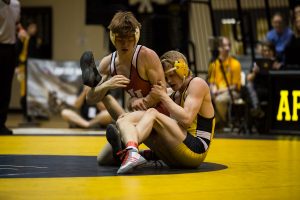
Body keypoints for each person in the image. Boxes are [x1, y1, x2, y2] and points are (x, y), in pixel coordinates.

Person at [106, 50, 215, 174]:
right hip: (174, 157)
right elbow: (140, 103)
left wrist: (163, 97)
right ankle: (127, 149)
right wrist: (133, 100)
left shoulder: (197, 84)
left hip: (196, 149)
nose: (169, 80)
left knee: (153, 113)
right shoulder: (173, 92)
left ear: (183, 69)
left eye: (171, 74)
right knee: (127, 118)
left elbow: (186, 119)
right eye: (166, 77)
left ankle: (130, 150)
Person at [80, 11, 166, 164]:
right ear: (113, 38)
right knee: (103, 159)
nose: (125, 44)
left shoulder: (146, 56)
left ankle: (127, 146)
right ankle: (138, 153)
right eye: (120, 40)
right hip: (136, 119)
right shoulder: (109, 62)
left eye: (129, 39)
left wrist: (141, 102)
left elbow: (162, 90)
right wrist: (107, 84)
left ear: (136, 37)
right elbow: (90, 99)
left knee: (124, 118)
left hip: (159, 114)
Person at [246, 41, 282, 133]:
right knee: (248, 88)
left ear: (273, 51)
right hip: (258, 89)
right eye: (264, 51)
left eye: (269, 50)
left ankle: (257, 109)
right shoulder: (257, 62)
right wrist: (255, 72)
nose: (266, 53)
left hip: (272, 89)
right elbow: (249, 78)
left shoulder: (277, 62)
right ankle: (257, 109)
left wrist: (277, 70)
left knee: (250, 94)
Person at [207, 36, 241, 128]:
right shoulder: (214, 63)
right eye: (224, 46)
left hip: (232, 91)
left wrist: (219, 91)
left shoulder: (235, 63)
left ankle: (221, 122)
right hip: (217, 91)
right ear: (218, 48)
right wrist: (213, 89)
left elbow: (235, 86)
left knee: (220, 100)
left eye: (228, 45)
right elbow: (212, 82)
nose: (227, 48)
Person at [0, 0, 21, 135]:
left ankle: (1, 123)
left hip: (11, 49)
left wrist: (21, 30)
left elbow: (16, 23)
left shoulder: (16, 4)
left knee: (6, 87)